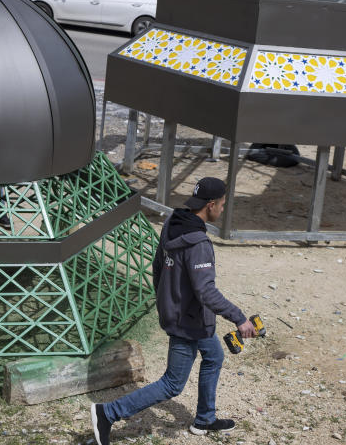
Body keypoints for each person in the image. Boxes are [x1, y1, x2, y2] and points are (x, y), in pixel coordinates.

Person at [91, 177, 256, 444]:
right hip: (187, 321)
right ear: (211, 205)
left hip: (183, 314)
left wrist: (166, 300)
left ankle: (205, 418)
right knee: (172, 383)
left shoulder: (173, 223)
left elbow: (157, 267)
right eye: (222, 205)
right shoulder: (198, 243)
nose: (223, 210)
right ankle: (107, 413)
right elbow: (206, 291)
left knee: (213, 356)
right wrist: (239, 318)